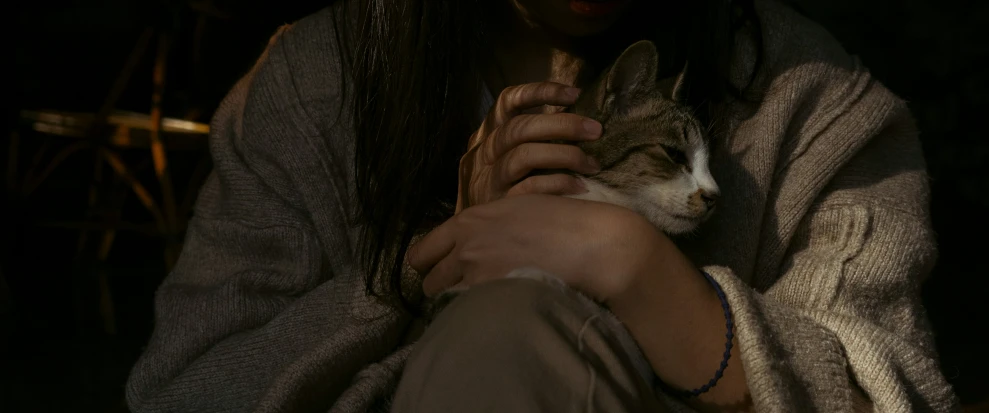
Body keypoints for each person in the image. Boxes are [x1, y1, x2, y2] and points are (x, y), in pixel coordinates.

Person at [125, 0, 958, 411]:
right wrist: (417, 276)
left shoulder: (810, 97)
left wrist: (639, 272)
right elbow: (183, 393)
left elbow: (896, 390)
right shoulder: (319, 79)